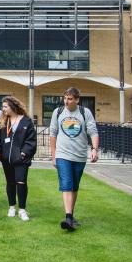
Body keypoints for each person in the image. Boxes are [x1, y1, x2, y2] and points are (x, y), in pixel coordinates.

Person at [50, 87, 99, 231]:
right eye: (65, 98)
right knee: (66, 184)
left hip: (80, 155)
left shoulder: (85, 113)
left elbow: (93, 132)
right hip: (62, 155)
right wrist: (54, 156)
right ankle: (68, 217)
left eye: (70, 99)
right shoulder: (58, 112)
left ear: (77, 100)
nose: (66, 101)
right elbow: (53, 134)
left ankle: (71, 215)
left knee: (74, 186)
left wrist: (94, 149)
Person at [0, 96, 37, 221]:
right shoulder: (2, 121)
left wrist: (24, 153)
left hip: (22, 159)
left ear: (13, 107)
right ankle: (12, 207)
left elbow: (31, 140)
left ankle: (22, 210)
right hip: (7, 158)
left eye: (5, 107)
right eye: (3, 107)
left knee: (21, 181)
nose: (3, 109)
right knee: (10, 182)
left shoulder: (26, 121)